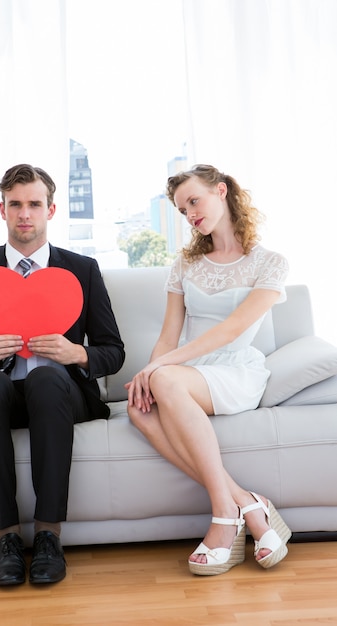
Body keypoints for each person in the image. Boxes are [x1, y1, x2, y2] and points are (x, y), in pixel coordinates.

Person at [0, 164, 125, 587]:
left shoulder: (82, 269)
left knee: (46, 378)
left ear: (51, 210)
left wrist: (75, 352)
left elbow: (113, 353)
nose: (25, 214)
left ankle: (47, 538)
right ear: (1, 210)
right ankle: (5, 540)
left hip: (60, 393)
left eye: (34, 204)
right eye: (15, 204)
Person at [125, 164, 291, 576]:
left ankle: (223, 515)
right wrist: (150, 373)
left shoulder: (270, 262)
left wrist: (161, 368)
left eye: (194, 201)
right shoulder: (184, 263)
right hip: (186, 371)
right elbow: (169, 335)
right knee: (137, 407)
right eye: (182, 210)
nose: (190, 215)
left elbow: (232, 329)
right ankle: (250, 505)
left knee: (162, 380)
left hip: (235, 371)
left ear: (221, 191)